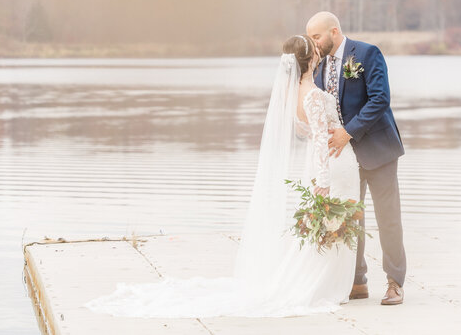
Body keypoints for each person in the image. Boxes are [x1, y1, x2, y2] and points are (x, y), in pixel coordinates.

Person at [84, 34, 362, 317]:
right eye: (315, 50)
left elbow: (304, 131)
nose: (319, 53)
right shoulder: (313, 95)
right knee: (333, 226)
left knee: (331, 228)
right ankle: (324, 286)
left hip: (323, 166)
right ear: (311, 59)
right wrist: (323, 184)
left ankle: (327, 283)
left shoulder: (294, 95)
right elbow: (317, 141)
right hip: (333, 165)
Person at [306, 11, 407, 306]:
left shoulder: (366, 53)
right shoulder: (319, 66)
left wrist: (347, 132)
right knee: (351, 218)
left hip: (378, 149)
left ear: (333, 32)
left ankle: (394, 282)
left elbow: (380, 99)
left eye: (317, 37)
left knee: (388, 218)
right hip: (345, 159)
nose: (314, 43)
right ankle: (357, 280)